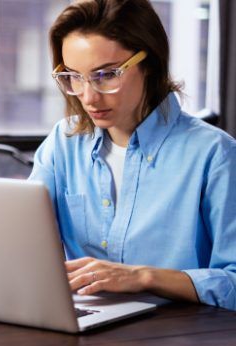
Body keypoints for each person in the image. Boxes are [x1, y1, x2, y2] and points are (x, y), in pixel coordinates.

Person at [29, 0, 236, 310]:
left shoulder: (214, 154)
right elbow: (24, 246)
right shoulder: (63, 143)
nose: (88, 96)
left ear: (149, 63)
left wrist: (143, 277)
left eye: (106, 75)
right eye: (73, 76)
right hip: (86, 325)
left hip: (181, 336)